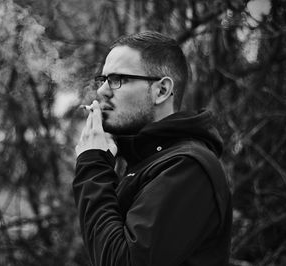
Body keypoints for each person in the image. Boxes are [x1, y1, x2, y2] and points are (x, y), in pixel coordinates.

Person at [73, 31, 232, 266]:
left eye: (117, 79)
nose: (102, 91)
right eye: (103, 80)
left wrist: (93, 165)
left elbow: (122, 261)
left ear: (161, 91)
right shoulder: (146, 161)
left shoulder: (188, 167)